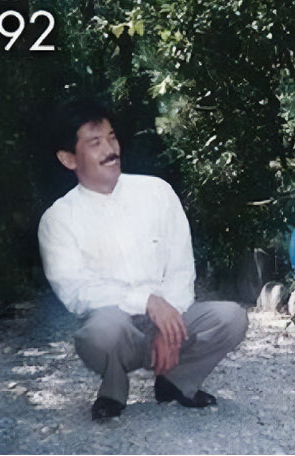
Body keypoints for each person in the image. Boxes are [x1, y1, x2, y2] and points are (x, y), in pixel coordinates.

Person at [38, 99, 248, 421]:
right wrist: (148, 301)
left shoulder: (157, 193)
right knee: (101, 332)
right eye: (95, 143)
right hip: (117, 330)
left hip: (169, 316)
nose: (110, 149)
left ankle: (176, 382)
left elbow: (180, 268)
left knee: (231, 317)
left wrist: (170, 319)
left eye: (111, 137)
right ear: (68, 159)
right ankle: (113, 391)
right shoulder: (58, 219)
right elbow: (77, 293)